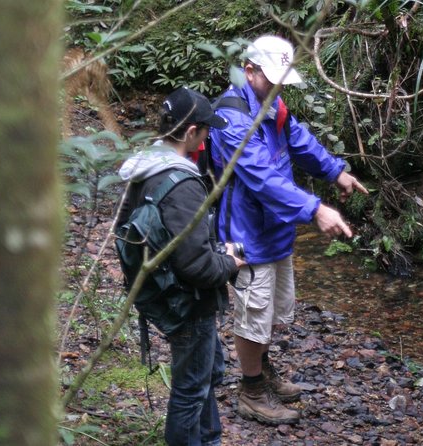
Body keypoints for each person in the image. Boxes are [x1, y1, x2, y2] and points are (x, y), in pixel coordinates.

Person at [209, 35, 369, 425]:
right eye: (272, 78)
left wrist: (335, 171)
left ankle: (262, 371)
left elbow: (298, 140)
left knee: (274, 312)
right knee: (253, 314)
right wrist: (315, 209)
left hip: (277, 228)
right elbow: (263, 179)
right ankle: (251, 392)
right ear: (249, 71)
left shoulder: (272, 103)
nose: (279, 87)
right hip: (246, 235)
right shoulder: (231, 120)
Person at [117, 86, 246, 445]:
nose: (207, 138)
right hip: (186, 302)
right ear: (191, 133)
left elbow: (126, 230)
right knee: (190, 390)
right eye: (206, 130)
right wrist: (230, 262)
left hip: (158, 292)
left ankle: (210, 439)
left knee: (206, 374)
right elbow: (198, 267)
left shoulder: (143, 167)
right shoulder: (183, 183)